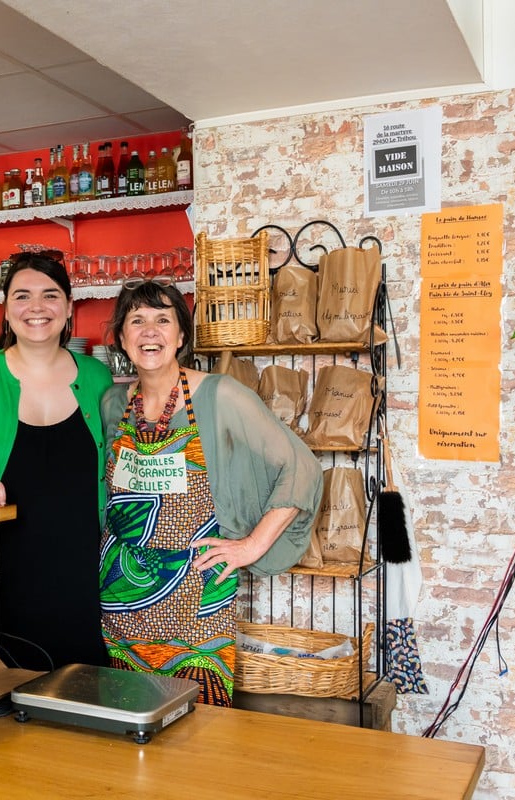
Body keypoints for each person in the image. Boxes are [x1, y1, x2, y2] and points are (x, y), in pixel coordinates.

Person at [98, 278, 322, 706]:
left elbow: (302, 468)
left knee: (200, 724)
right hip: (120, 595)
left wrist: (251, 546)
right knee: (128, 719)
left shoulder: (221, 396)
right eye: (137, 321)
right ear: (122, 338)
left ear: (181, 335)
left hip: (196, 593)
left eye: (162, 320)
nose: (150, 331)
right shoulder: (114, 403)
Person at [0, 251, 114, 671]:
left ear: (69, 307)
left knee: (85, 693)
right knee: (9, 700)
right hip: (4, 572)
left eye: (50, 295)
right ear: (6, 309)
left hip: (83, 574)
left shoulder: (97, 377)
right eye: (23, 296)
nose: (37, 307)